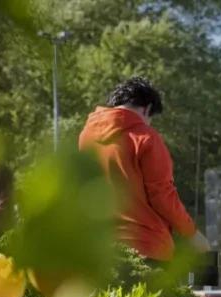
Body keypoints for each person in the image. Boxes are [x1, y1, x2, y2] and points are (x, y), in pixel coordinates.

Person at [78, 76, 208, 262]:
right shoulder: (145, 137)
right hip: (145, 247)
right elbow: (162, 195)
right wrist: (191, 234)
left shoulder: (85, 137)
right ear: (147, 108)